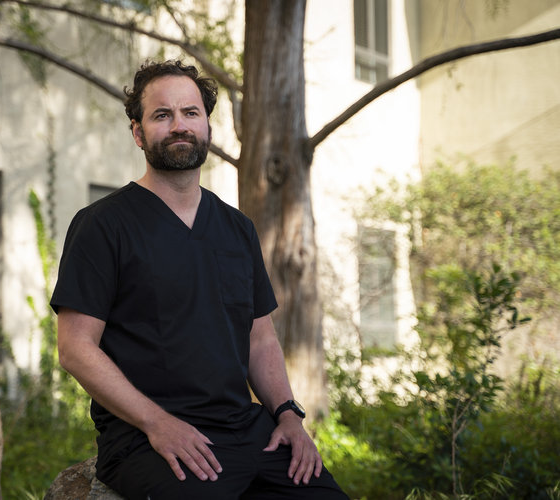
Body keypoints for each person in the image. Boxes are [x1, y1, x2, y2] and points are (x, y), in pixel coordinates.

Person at [50, 60, 348, 500]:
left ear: (206, 126)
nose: (179, 126)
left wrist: (287, 415)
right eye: (161, 115)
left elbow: (260, 338)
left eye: (190, 113)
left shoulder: (236, 228)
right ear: (137, 132)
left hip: (247, 429)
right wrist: (157, 422)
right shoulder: (104, 224)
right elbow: (76, 348)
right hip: (146, 438)